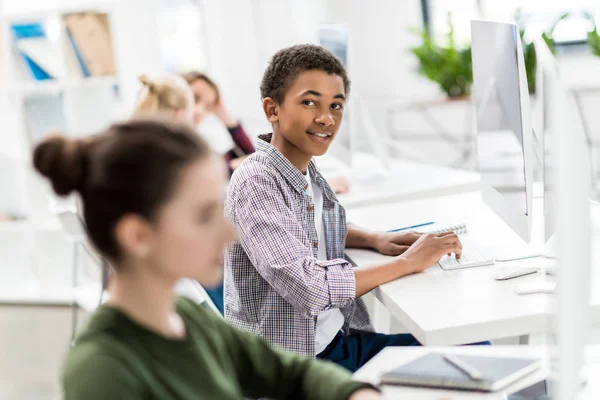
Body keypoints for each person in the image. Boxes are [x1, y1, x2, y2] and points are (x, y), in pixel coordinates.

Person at [33, 117, 380, 399]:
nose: (229, 234)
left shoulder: (185, 317)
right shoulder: (102, 372)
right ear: (138, 236)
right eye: (203, 216)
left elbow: (290, 371)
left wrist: (356, 394)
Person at [224, 44, 471, 373]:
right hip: (298, 373)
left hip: (334, 346)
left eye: (336, 105)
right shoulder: (257, 184)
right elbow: (308, 287)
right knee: (467, 360)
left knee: (469, 349)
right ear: (273, 109)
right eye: (310, 102)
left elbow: (308, 226)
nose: (326, 118)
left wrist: (375, 239)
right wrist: (408, 262)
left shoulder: (300, 167)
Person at [183, 71, 351, 193]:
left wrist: (223, 113)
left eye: (207, 106)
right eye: (195, 98)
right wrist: (231, 167)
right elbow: (194, 175)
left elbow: (248, 153)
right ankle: (314, 187)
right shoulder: (170, 143)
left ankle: (312, 186)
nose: (199, 110)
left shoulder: (190, 140)